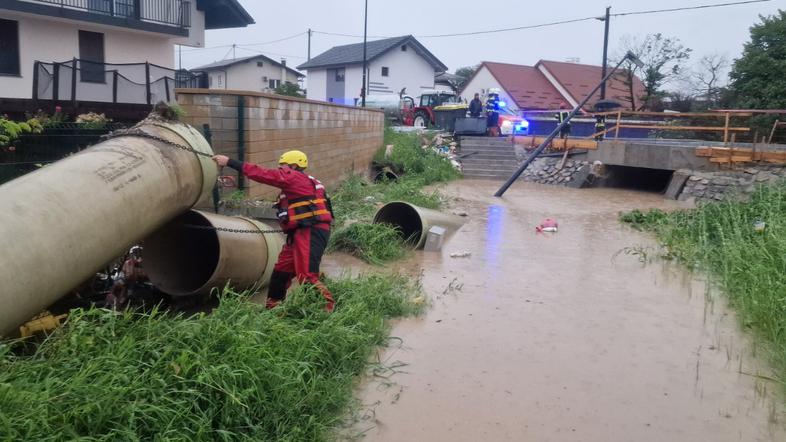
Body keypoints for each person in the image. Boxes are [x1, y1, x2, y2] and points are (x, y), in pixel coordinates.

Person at [212, 150, 335, 312]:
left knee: (306, 275)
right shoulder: (301, 183)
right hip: (299, 232)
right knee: (281, 271)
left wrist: (229, 162)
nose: (280, 169)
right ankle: (273, 308)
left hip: (310, 231)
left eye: (282, 166)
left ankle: (326, 310)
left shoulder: (294, 177)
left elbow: (264, 174)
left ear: (293, 166)